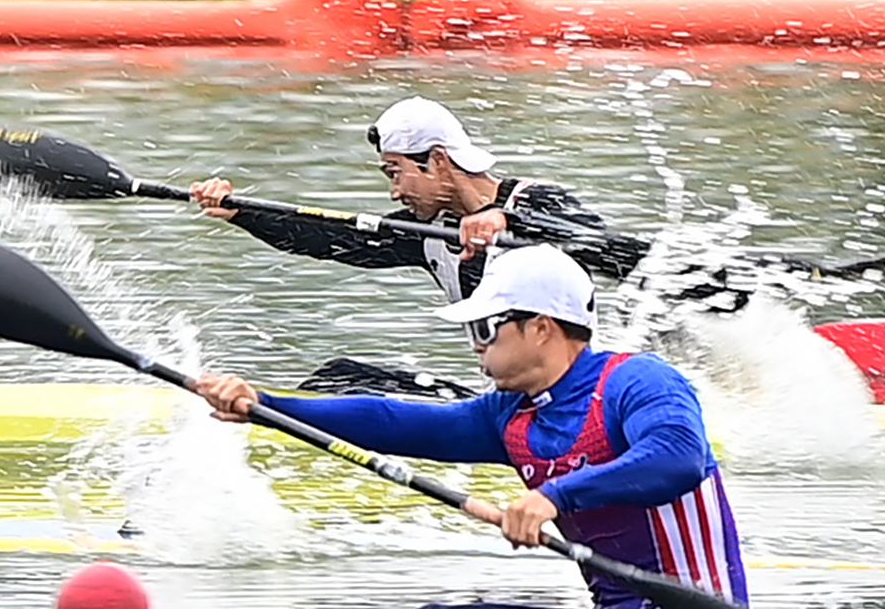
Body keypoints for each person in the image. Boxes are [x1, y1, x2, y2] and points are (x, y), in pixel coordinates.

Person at [183, 246, 747, 609]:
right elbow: (397, 420)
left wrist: (552, 498)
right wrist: (267, 405)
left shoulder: (637, 383)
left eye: (485, 328)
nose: (475, 344)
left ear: (541, 328)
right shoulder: (513, 414)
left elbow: (677, 458)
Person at [183, 97, 673, 396]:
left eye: (396, 173)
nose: (395, 191)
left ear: (437, 161)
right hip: (506, 403)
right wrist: (241, 211)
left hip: (585, 405)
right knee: (339, 378)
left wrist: (508, 219)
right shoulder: (431, 233)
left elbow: (611, 250)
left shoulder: (538, 200)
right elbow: (336, 240)